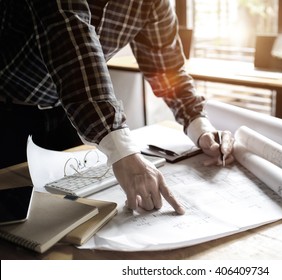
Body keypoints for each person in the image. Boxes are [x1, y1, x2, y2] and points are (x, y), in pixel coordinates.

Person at [0, 0, 234, 215]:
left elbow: (167, 69)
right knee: (11, 211)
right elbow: (72, 42)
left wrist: (199, 125)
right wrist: (123, 151)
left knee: (69, 207)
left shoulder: (153, 4)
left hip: (71, 113)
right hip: (8, 108)